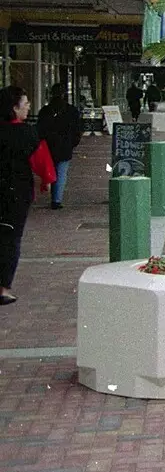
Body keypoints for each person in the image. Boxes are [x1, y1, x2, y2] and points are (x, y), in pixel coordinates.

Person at [0, 87, 49, 306]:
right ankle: (3, 287)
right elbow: (42, 162)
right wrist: (47, 181)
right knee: (11, 238)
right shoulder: (27, 133)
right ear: (14, 107)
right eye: (26, 102)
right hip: (16, 193)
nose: (29, 106)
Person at [35, 83, 82, 210]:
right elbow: (77, 130)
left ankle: (53, 195)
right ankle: (56, 199)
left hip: (48, 146)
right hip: (65, 146)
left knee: (50, 170)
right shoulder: (71, 111)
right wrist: (73, 143)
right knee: (61, 172)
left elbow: (40, 129)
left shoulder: (45, 111)